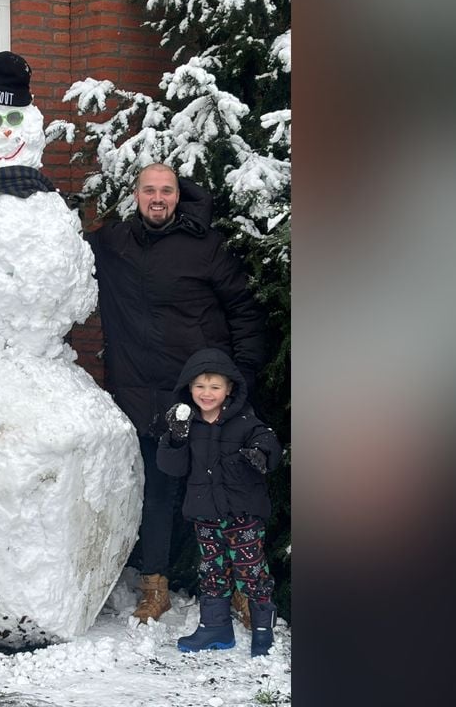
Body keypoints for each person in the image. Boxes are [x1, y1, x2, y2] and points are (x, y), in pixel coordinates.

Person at [86, 163, 267, 622]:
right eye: (149, 190)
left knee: (227, 493)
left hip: (203, 397)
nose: (158, 198)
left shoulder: (206, 248)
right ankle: (155, 586)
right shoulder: (113, 244)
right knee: (158, 494)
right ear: (136, 195)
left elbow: (244, 312)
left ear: (177, 196)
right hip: (143, 396)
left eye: (166, 190)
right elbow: (53, 249)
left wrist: (238, 379)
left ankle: (242, 589)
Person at [157, 348, 282, 655]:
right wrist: (174, 438)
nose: (207, 393)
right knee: (212, 572)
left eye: (214, 387)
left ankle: (263, 632)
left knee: (252, 572)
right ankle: (216, 628)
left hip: (244, 515)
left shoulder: (245, 422)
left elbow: (269, 442)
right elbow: (173, 467)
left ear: (229, 389)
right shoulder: (186, 426)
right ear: (189, 388)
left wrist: (260, 455)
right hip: (206, 514)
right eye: (200, 386)